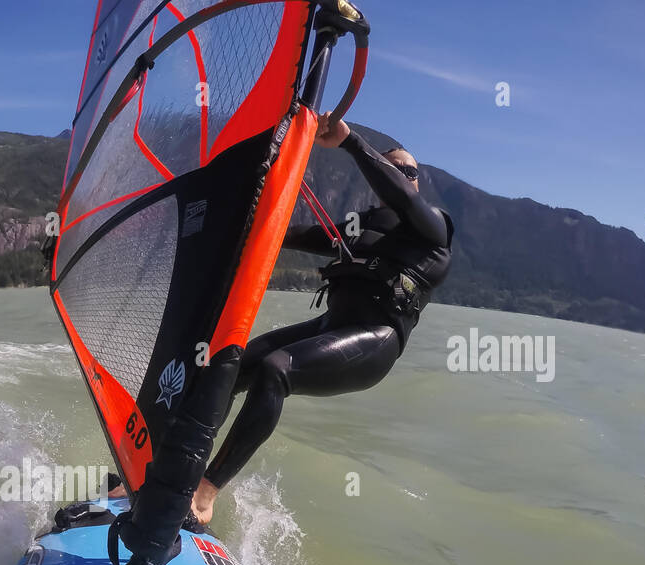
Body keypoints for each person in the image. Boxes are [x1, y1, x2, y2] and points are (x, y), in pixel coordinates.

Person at [186, 114, 454, 523]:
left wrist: (350, 142)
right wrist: (254, 217)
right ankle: (182, 468)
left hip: (375, 339)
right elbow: (302, 236)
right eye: (393, 167)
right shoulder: (360, 230)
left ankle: (206, 493)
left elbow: (404, 199)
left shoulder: (433, 231)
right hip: (330, 326)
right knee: (237, 363)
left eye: (408, 171)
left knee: (276, 371)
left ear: (416, 180)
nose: (401, 175)